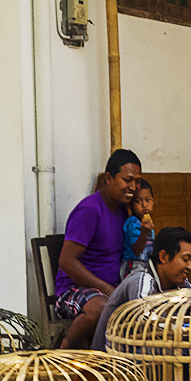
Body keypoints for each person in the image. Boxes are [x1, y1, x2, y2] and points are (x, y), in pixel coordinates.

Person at [55, 149, 143, 348]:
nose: (133, 187)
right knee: (101, 308)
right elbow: (66, 262)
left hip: (111, 288)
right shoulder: (89, 211)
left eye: (137, 181)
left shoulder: (123, 208)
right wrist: (109, 291)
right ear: (109, 178)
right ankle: (65, 347)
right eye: (127, 180)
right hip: (73, 291)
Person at [91, 227, 191, 351]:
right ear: (164, 257)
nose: (190, 267)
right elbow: (147, 325)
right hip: (116, 360)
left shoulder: (182, 284)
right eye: (185, 259)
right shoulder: (141, 280)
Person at [121, 179, 155, 279]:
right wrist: (144, 233)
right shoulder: (133, 222)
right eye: (138, 201)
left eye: (148, 200)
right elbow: (136, 250)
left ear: (153, 201)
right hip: (133, 265)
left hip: (145, 264)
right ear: (130, 205)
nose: (144, 205)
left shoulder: (147, 223)